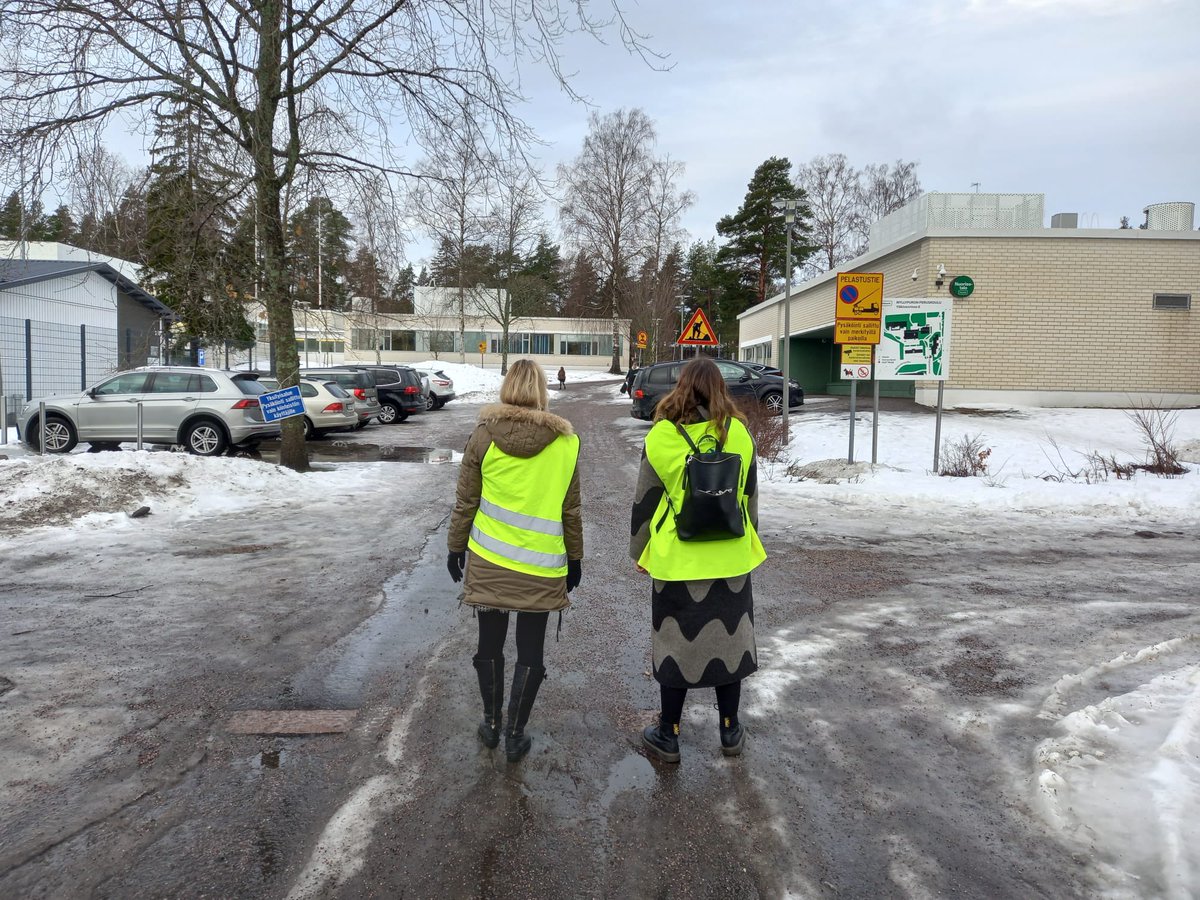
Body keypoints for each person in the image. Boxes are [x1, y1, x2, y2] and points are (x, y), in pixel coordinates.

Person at [629, 357, 765, 763]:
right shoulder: (739, 434)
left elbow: (644, 502)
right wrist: (747, 537)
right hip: (730, 559)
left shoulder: (662, 438)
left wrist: (641, 553)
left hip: (678, 562)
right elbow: (749, 497)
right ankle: (729, 729)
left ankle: (668, 734)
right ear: (721, 389)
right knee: (731, 643)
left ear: (681, 388)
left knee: (674, 644)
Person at [447, 358, 583, 762]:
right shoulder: (566, 444)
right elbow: (570, 510)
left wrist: (456, 548)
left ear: (507, 388)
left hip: (490, 560)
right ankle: (515, 733)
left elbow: (466, 501)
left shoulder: (482, 437)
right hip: (542, 566)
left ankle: (490, 724)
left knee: (488, 643)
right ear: (542, 391)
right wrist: (575, 558)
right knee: (531, 649)